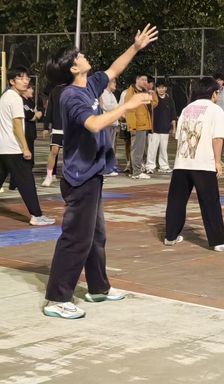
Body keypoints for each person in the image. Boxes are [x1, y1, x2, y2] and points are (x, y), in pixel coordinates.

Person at [43, 24, 158, 320]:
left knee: (96, 237)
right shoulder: (70, 96)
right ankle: (57, 298)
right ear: (73, 68)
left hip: (92, 175)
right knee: (76, 238)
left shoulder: (90, 85)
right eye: (79, 56)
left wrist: (135, 47)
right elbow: (94, 124)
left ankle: (98, 288)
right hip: (79, 178)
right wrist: (128, 106)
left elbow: (114, 69)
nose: (84, 56)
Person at [164, 77, 224, 252]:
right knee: (210, 203)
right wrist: (217, 162)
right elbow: (218, 138)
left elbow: (178, 137)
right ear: (213, 93)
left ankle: (170, 236)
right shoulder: (215, 110)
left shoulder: (186, 109)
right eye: (217, 92)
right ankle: (219, 241)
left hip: (182, 162)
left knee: (176, 201)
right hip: (203, 164)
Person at [0, 68, 54, 227]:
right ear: (12, 81)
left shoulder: (5, 97)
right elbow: (17, 125)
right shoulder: (16, 99)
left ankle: (37, 215)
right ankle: (36, 215)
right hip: (14, 148)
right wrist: (25, 147)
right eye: (21, 78)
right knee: (27, 182)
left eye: (26, 78)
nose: (26, 81)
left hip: (4, 147)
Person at [8, 84, 42, 190]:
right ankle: (20, 183)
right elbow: (31, 116)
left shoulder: (30, 102)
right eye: (30, 88)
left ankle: (15, 183)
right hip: (25, 135)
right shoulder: (21, 101)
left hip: (30, 135)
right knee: (25, 161)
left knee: (27, 161)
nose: (32, 91)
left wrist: (37, 114)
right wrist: (36, 114)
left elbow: (38, 115)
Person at [124, 74, 158, 179]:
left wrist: (153, 94)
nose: (145, 82)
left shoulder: (143, 92)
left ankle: (134, 171)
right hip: (137, 125)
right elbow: (129, 110)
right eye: (142, 79)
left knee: (138, 149)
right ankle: (136, 172)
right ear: (137, 80)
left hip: (143, 125)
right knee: (137, 150)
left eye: (146, 80)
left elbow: (153, 105)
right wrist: (132, 127)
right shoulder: (131, 92)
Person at [146, 80, 176, 174]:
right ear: (156, 88)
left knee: (164, 149)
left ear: (166, 88)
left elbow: (173, 115)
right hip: (154, 129)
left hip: (165, 129)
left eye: (163, 88)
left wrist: (174, 128)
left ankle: (164, 166)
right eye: (159, 88)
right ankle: (150, 166)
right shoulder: (153, 98)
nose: (161, 89)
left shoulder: (170, 100)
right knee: (152, 149)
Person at [42, 84, 64, 186]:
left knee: (69, 153)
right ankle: (49, 175)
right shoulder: (55, 90)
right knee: (54, 150)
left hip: (71, 126)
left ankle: (69, 174)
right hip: (57, 125)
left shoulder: (74, 87)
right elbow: (49, 108)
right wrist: (46, 127)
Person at [100, 79, 119, 176]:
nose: (115, 85)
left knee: (111, 146)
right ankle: (105, 168)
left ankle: (110, 166)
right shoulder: (104, 93)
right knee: (107, 146)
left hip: (113, 123)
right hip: (107, 123)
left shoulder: (111, 95)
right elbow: (106, 106)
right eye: (114, 82)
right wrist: (118, 107)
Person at [118, 89, 132, 172]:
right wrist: (122, 117)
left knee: (137, 144)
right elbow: (121, 106)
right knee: (127, 142)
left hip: (138, 121)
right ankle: (128, 163)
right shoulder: (124, 92)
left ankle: (139, 163)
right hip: (126, 120)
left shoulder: (141, 92)